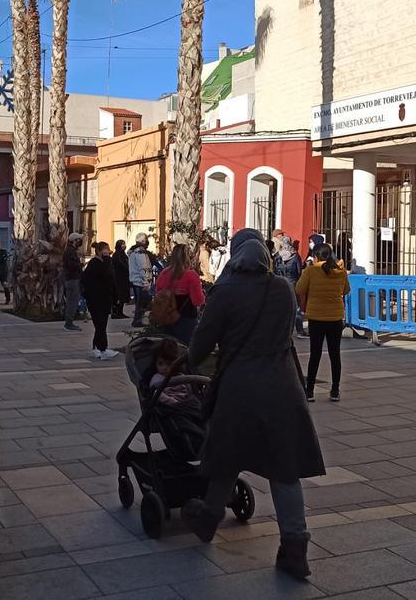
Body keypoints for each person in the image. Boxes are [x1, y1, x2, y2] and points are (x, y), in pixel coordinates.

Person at [181, 229, 325, 580]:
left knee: (226, 455)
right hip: (283, 388)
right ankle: (295, 548)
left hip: (240, 389)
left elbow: (199, 347)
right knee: (284, 467)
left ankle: (207, 518)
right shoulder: (282, 289)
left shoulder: (225, 292)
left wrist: (188, 360)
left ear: (234, 255)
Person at [297, 243, 350, 402]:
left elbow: (299, 289)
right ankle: (335, 390)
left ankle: (310, 391)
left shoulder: (311, 271)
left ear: (316, 256)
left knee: (315, 354)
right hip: (335, 318)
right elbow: (346, 290)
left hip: (317, 318)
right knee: (335, 354)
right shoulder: (340, 272)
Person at [154, 245, 206, 345]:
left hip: (166, 315)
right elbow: (198, 301)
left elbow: (158, 293)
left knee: (168, 349)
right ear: (188, 258)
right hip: (186, 317)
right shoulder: (191, 275)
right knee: (184, 349)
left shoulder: (164, 273)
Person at [82, 242, 119, 360]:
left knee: (101, 325)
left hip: (103, 299)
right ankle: (103, 349)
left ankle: (96, 347)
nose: (108, 252)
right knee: (101, 325)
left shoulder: (101, 263)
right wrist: (108, 260)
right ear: (100, 251)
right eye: (106, 250)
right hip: (97, 300)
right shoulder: (96, 264)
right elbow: (108, 276)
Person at [274, 236, 308, 338]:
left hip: (280, 284)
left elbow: (275, 271)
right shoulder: (295, 255)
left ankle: (280, 330)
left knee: (281, 308)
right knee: (296, 308)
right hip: (293, 283)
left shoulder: (277, 256)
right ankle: (300, 331)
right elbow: (299, 271)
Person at [128, 233, 154, 327]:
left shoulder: (133, 252)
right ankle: (138, 320)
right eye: (146, 240)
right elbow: (144, 267)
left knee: (140, 302)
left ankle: (137, 319)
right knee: (142, 302)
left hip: (136, 280)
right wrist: (146, 282)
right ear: (143, 241)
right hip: (141, 282)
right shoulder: (140, 252)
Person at [62, 233, 84, 332]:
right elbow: (71, 265)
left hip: (70, 279)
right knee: (72, 302)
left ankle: (69, 322)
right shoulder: (70, 251)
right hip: (73, 279)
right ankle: (69, 323)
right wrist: (80, 265)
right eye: (78, 240)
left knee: (71, 301)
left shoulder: (70, 250)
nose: (80, 242)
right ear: (74, 241)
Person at [111, 240, 131, 319]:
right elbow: (121, 264)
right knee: (119, 295)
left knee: (122, 296)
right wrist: (127, 268)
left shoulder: (123, 254)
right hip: (119, 278)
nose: (124, 246)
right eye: (122, 244)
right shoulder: (117, 254)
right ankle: (116, 312)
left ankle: (120, 312)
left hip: (124, 277)